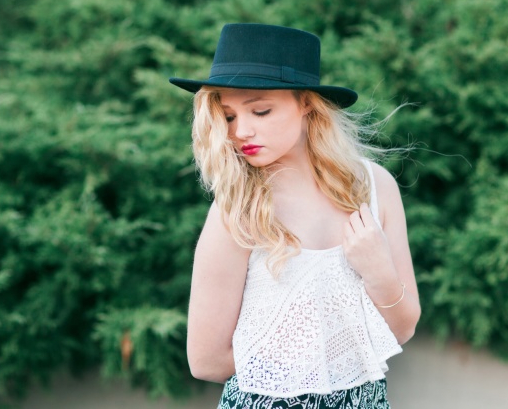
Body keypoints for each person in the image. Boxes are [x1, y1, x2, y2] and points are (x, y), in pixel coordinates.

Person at [169, 23, 420, 408]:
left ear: (306, 103)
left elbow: (403, 328)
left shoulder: (374, 187)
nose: (241, 132)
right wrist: (305, 358)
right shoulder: (237, 208)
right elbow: (205, 360)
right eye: (229, 116)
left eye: (261, 110)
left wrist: (378, 270)